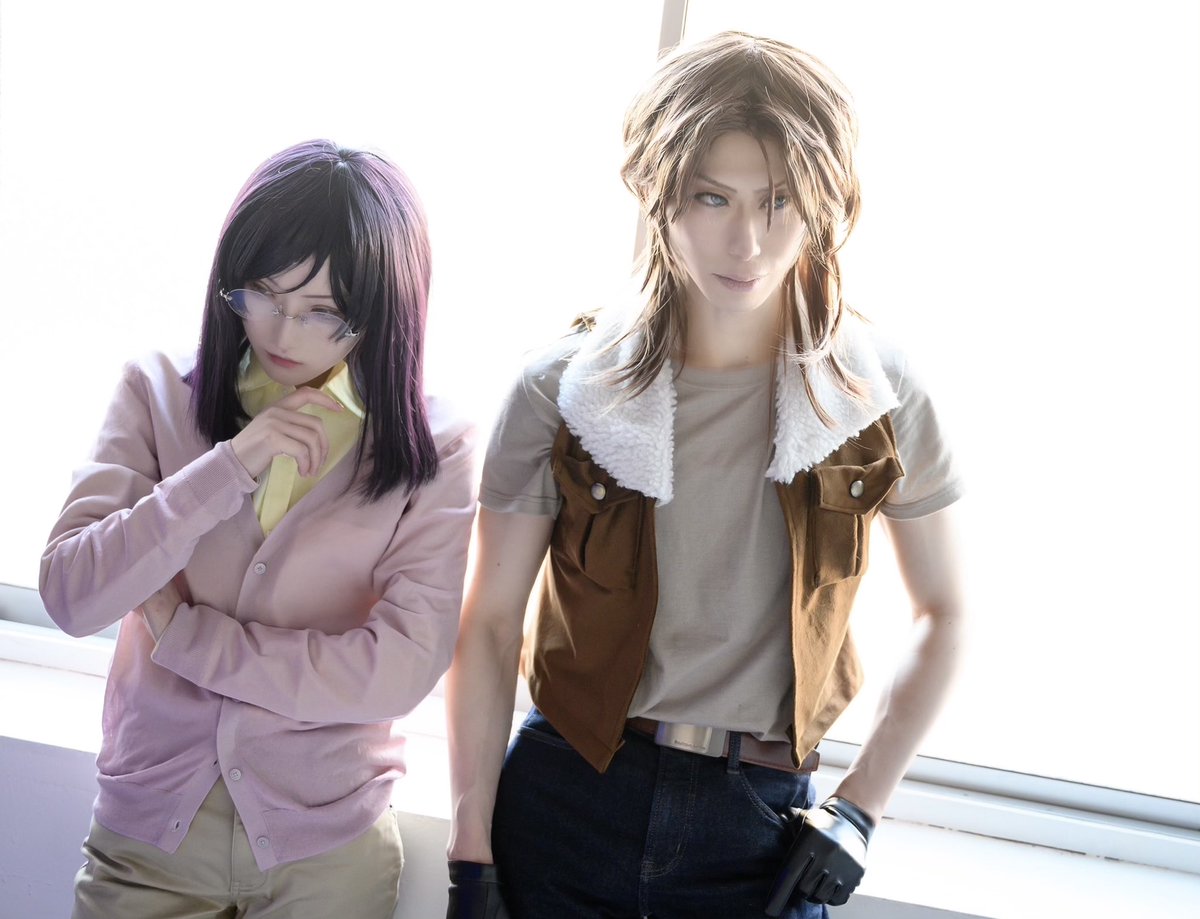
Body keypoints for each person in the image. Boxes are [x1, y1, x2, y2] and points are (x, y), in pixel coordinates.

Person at [444, 31, 965, 919]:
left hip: (762, 828)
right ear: (658, 193)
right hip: (568, 798)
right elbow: (490, 626)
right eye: (711, 197)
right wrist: (470, 859)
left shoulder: (873, 390)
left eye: (779, 202)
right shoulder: (565, 387)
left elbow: (945, 611)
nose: (746, 241)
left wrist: (860, 808)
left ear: (824, 202)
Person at [39, 139, 477, 919]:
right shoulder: (157, 390)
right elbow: (73, 594)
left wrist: (190, 639)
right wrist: (227, 467)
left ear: (384, 310)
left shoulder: (435, 445)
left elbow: (398, 670)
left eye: (322, 313)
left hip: (327, 849)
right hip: (151, 836)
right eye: (262, 295)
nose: (283, 333)